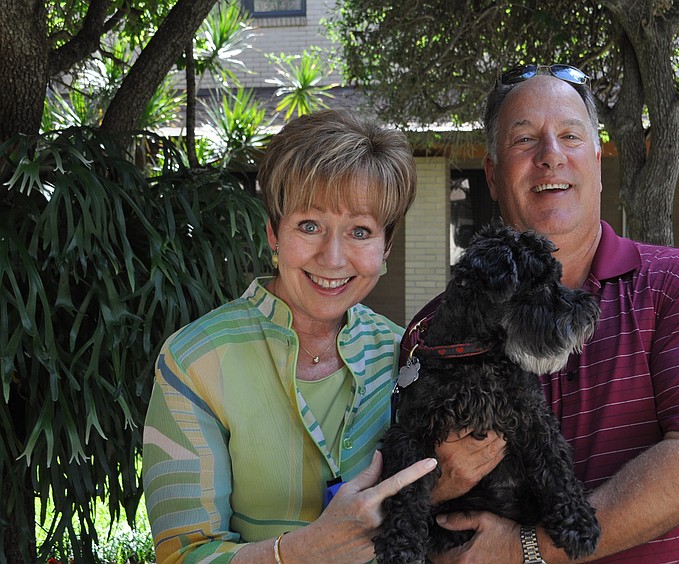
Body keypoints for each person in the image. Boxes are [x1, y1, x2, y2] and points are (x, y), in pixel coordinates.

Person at [408, 65, 679, 563]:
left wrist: (528, 550)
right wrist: (436, 485)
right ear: (493, 174)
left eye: (570, 136)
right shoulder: (434, 331)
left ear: (596, 157)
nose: (551, 156)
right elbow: (401, 490)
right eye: (525, 140)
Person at [143, 109, 468, 563]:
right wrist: (302, 552)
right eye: (309, 225)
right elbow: (183, 555)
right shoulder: (195, 360)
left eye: (360, 231)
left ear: (385, 246)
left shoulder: (405, 354)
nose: (333, 259)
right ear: (273, 233)